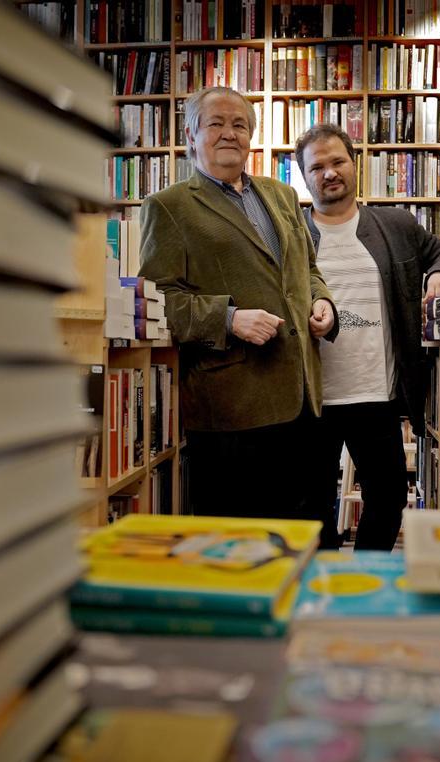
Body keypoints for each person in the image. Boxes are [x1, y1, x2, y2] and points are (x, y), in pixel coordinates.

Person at [138, 87, 339, 532]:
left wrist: (322, 300)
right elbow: (157, 299)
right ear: (191, 134)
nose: (229, 133)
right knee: (240, 542)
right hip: (232, 409)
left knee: (306, 533)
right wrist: (228, 319)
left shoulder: (283, 195)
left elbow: (306, 267)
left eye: (239, 124)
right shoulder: (168, 208)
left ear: (251, 136)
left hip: (304, 399)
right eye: (216, 123)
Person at [296, 123, 440, 550]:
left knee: (387, 499)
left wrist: (438, 273)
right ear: (304, 177)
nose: (329, 173)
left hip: (376, 393)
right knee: (311, 506)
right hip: (311, 397)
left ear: (354, 164)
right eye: (317, 167)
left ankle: (368, 573)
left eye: (337, 162)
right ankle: (324, 580)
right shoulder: (291, 232)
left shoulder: (395, 224)